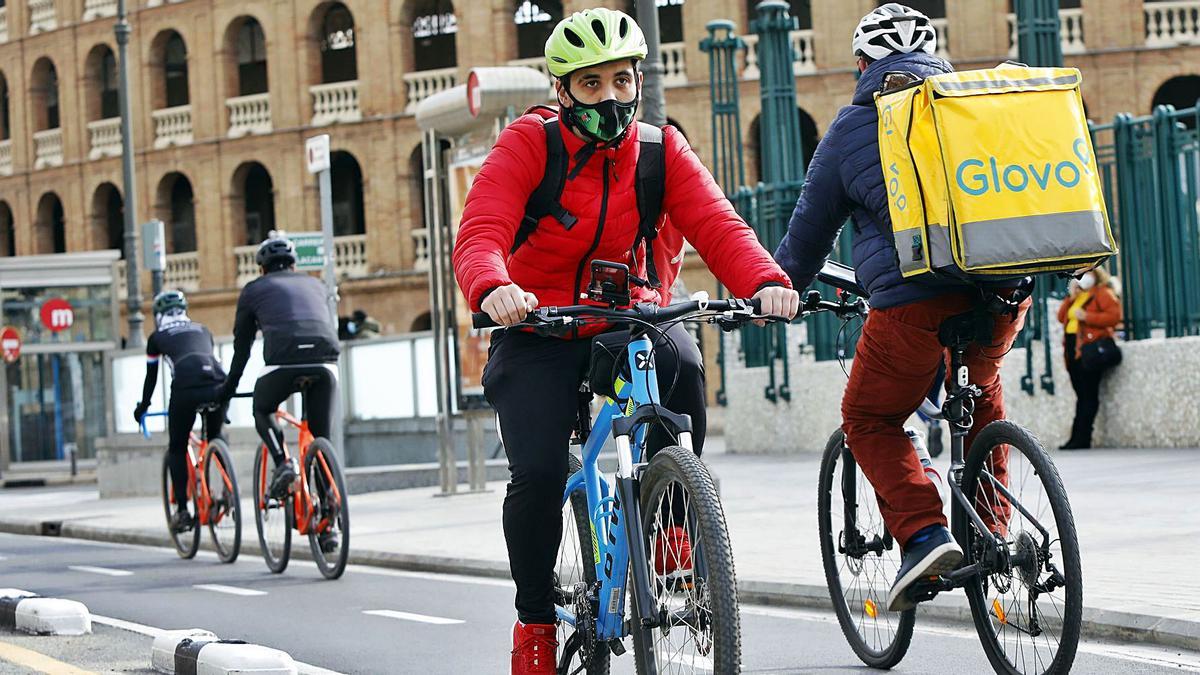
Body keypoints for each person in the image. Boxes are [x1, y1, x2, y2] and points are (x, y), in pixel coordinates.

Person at [451, 8, 799, 672]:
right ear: (563, 91)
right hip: (538, 326)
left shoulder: (659, 149)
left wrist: (765, 281)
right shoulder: (530, 143)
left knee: (681, 363)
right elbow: (482, 228)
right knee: (540, 472)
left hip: (623, 320)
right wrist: (492, 286)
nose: (609, 97)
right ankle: (533, 623)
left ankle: (672, 523)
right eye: (591, 85)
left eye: (620, 80)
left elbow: (718, 223)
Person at [774, 3, 1031, 613]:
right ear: (933, 53)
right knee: (981, 389)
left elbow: (806, 240)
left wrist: (771, 293)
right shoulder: (971, 106)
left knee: (869, 416)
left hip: (912, 306)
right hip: (1001, 294)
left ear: (863, 64)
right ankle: (993, 526)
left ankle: (924, 535)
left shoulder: (851, 127)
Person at [217, 235, 342, 552]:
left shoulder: (253, 290)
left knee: (263, 409)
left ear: (262, 269)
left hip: (283, 363)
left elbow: (242, 350)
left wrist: (228, 391)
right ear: (294, 264)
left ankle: (282, 463)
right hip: (326, 362)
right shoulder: (315, 285)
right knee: (318, 436)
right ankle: (330, 523)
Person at [133, 290, 228, 533]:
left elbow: (151, 378)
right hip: (218, 385)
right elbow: (211, 361)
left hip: (186, 389)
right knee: (215, 436)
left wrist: (143, 407)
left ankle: (184, 511)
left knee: (177, 447)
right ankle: (229, 491)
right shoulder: (203, 329)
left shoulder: (157, 337)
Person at [1057, 267, 1122, 450]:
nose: (1083, 278)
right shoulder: (1078, 296)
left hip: (1090, 351)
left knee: (1088, 395)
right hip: (1073, 350)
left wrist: (1087, 316)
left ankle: (1082, 437)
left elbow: (1114, 316)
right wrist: (1071, 296)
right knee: (1081, 395)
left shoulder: (1102, 293)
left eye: (1087, 273)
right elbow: (1062, 317)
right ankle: (1077, 437)